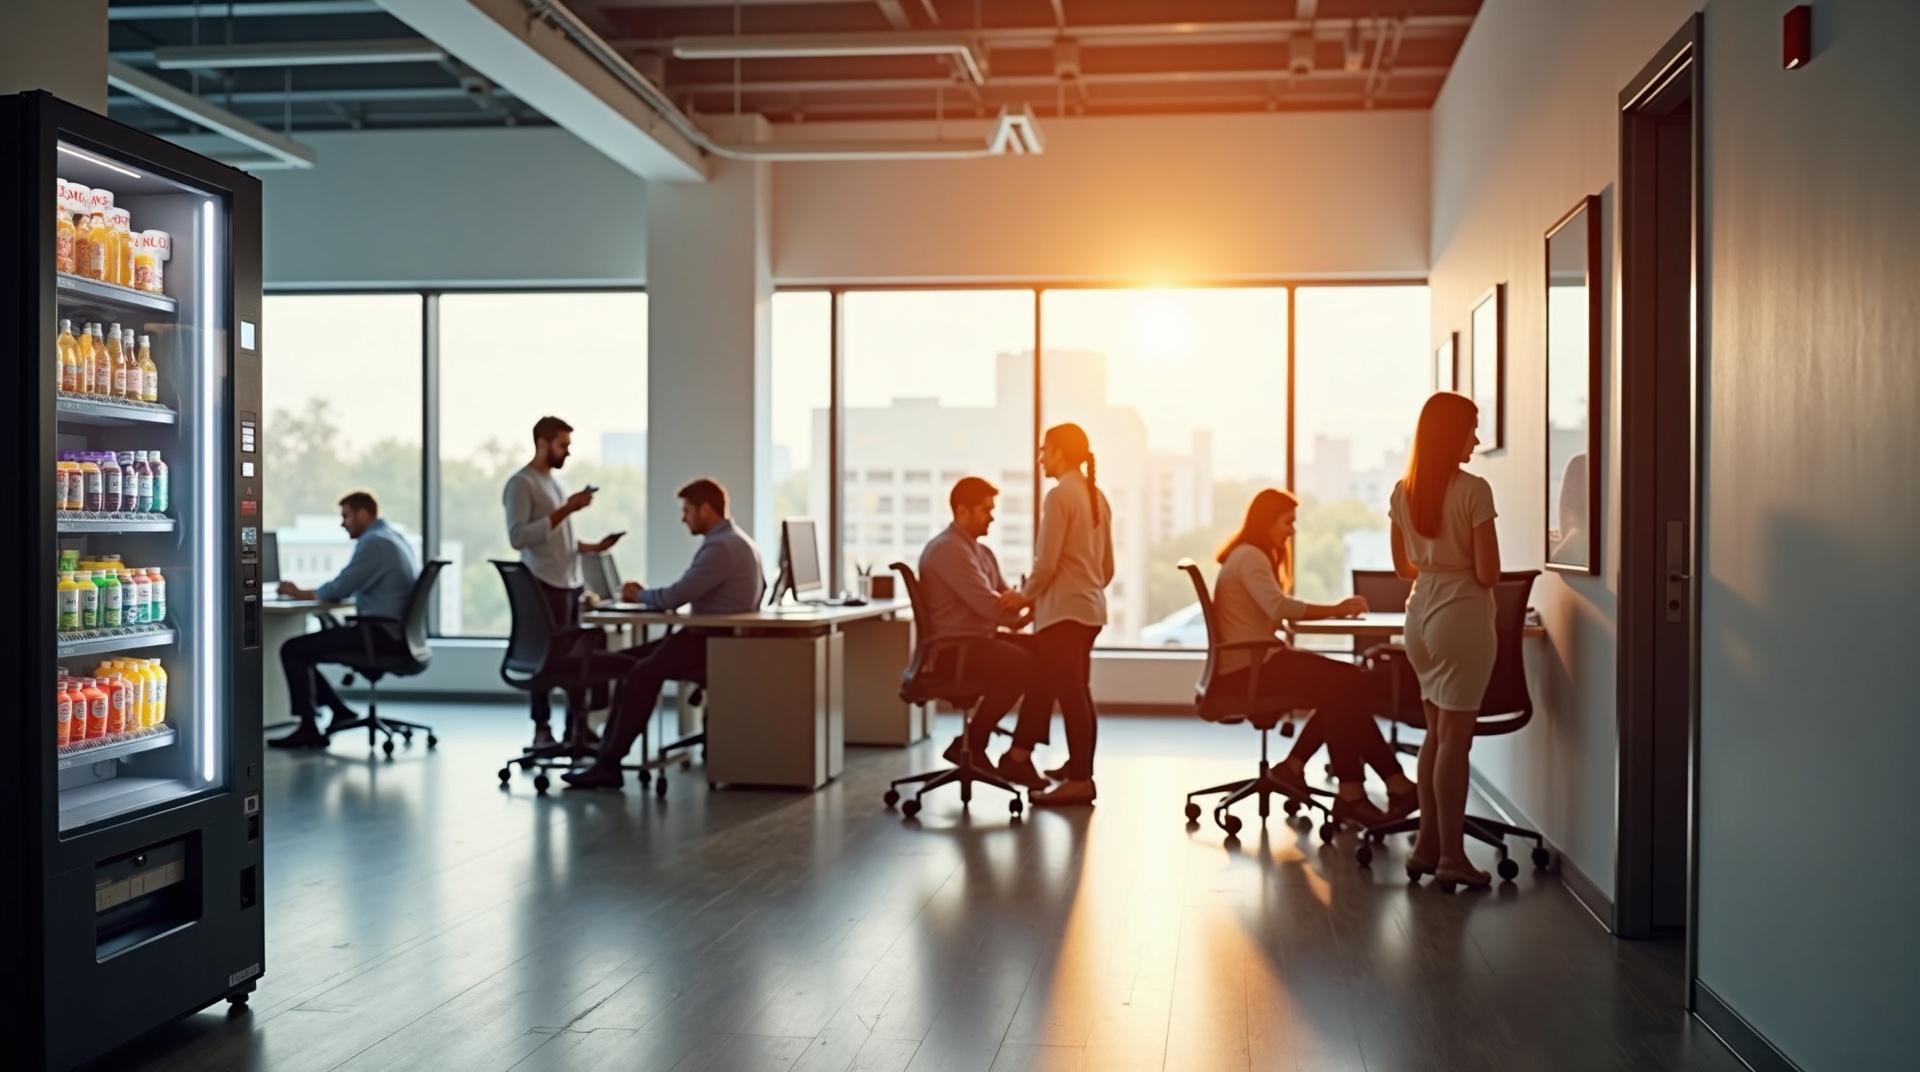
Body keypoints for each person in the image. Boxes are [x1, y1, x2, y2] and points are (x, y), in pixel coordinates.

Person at [1210, 488, 1419, 826]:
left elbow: (1272, 612)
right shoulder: (1250, 556)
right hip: (1250, 667)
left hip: (1254, 661)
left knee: (1345, 687)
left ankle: (1316, 775)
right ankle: (1370, 789)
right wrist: (1335, 609)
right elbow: (1279, 607)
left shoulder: (1247, 555)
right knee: (1350, 683)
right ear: (1266, 522)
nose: (1292, 530)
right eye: (1287, 522)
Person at [562, 479, 764, 790]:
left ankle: (608, 762)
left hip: (708, 640)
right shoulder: (736, 541)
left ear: (705, 510)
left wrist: (638, 596)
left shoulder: (720, 547)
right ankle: (602, 749)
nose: (684, 518)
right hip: (709, 636)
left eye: (687, 511)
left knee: (640, 673)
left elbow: (675, 596)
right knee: (626, 660)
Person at [1390, 391, 1502, 890]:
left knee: (1436, 736)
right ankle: (1453, 856)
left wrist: (1435, 560)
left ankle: (1425, 847)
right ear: (1449, 434)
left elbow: (1402, 568)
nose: (1476, 439)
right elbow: (1489, 572)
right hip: (1461, 619)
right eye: (1471, 429)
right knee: (1455, 741)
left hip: (1419, 618)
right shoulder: (1475, 491)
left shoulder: (1401, 492)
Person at [1000, 423, 1113, 807]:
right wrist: (1085, 583)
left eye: (1045, 450)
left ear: (1061, 453)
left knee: (1071, 696)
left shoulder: (1059, 496)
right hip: (1090, 609)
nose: (1041, 458)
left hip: (1063, 613)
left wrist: (1023, 598)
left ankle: (1080, 780)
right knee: (1079, 693)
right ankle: (1076, 767)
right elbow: (1108, 567)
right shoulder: (1096, 496)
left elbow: (1046, 564)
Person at [916, 476, 1052, 789]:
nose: (992, 516)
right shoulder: (949, 551)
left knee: (1049, 657)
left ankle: (1019, 755)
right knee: (1023, 667)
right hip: (956, 650)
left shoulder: (981, 552)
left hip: (979, 642)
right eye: (984, 510)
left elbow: (1006, 607)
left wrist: (1028, 605)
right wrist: (1024, 603)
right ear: (962, 512)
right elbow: (993, 608)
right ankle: (974, 744)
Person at [503, 416, 623, 748]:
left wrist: (593, 547)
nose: (568, 452)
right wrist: (567, 509)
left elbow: (559, 538)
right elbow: (519, 537)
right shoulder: (522, 484)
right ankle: (542, 729)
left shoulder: (556, 483)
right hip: (544, 583)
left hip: (570, 582)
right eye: (563, 445)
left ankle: (578, 727)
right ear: (543, 443)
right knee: (547, 657)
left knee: (579, 656)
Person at [269, 491, 418, 749]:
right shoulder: (393, 537)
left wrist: (296, 592)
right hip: (393, 633)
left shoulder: (375, 543)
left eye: (346, 516)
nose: (342, 523)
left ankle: (308, 729)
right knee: (306, 648)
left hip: (380, 635)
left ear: (363, 514)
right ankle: (339, 711)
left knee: (294, 649)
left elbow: (338, 589)